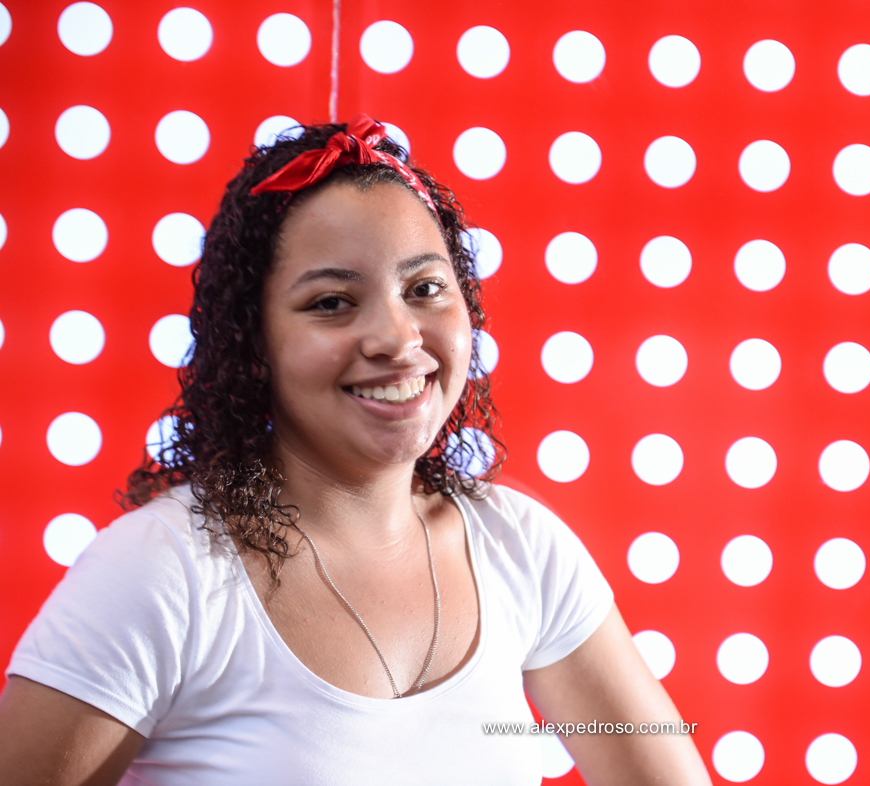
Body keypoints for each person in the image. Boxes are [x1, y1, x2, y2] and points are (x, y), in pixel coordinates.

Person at [0, 115, 711, 785]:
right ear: (253, 344)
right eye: (332, 302)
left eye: (425, 288)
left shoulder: (520, 548)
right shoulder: (164, 572)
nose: (397, 339)